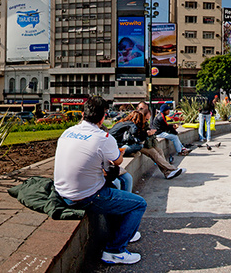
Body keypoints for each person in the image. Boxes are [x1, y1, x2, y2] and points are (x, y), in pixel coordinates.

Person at [53, 97, 149, 265]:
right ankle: (115, 250)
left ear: (83, 115)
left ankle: (122, 231)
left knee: (114, 187)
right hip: (84, 196)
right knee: (139, 204)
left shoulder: (67, 132)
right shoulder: (103, 137)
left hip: (62, 192)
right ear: (103, 117)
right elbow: (118, 161)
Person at [110, 105, 186, 179]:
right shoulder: (131, 125)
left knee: (158, 150)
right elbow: (134, 139)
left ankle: (168, 172)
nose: (146, 122)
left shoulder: (126, 123)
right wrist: (147, 134)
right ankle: (172, 169)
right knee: (150, 151)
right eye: (145, 119)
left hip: (122, 145)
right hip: (119, 147)